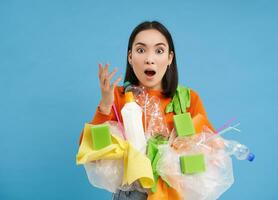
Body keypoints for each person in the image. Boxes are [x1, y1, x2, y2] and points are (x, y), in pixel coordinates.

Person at [79, 21, 214, 200]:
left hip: (176, 193)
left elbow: (210, 148)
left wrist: (181, 151)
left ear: (169, 58)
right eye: (141, 50)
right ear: (130, 57)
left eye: (159, 51)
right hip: (131, 194)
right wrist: (105, 105)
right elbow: (90, 153)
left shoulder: (187, 99)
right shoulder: (118, 97)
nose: (149, 59)